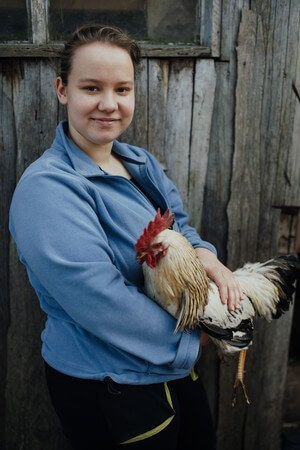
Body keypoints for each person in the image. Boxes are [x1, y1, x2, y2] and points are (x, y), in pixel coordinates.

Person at [9, 24, 243, 450]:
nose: (108, 104)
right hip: (110, 383)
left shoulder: (138, 162)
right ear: (63, 90)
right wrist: (199, 336)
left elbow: (179, 226)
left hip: (170, 366)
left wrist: (205, 255)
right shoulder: (47, 189)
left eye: (122, 89)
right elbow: (100, 300)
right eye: (91, 87)